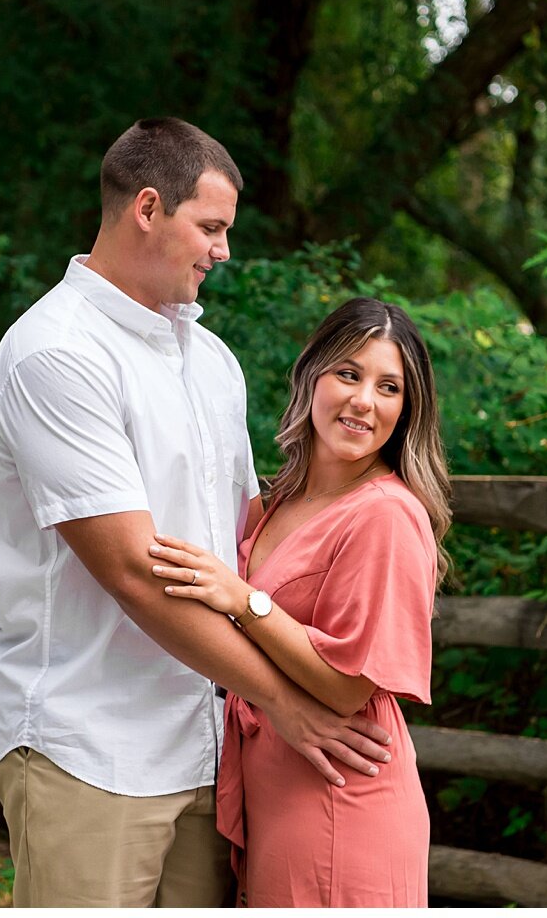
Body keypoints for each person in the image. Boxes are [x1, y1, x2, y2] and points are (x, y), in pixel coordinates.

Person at [0, 118, 394, 908]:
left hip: (206, 748)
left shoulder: (211, 361)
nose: (223, 250)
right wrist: (287, 700)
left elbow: (246, 545)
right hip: (86, 745)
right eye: (211, 227)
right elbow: (134, 572)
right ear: (145, 208)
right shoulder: (57, 352)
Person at [149, 297, 452, 907]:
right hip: (279, 794)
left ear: (406, 409)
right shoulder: (278, 503)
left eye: (388, 386)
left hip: (342, 801)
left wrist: (244, 599)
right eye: (349, 373)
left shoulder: (387, 515)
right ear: (312, 374)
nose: (364, 400)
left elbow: (348, 688)